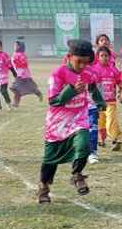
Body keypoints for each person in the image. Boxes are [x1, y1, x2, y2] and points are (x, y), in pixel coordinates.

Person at [37, 40, 103, 204]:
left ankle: (77, 175)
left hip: (78, 118)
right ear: (69, 57)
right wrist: (72, 90)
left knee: (84, 144)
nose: (82, 66)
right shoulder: (58, 74)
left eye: (86, 62)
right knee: (50, 159)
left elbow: (93, 87)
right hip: (57, 123)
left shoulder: (88, 73)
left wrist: (100, 101)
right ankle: (44, 187)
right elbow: (53, 101)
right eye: (78, 61)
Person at [93, 45, 122, 151]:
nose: (104, 57)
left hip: (111, 102)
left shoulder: (113, 69)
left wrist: (121, 91)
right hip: (98, 102)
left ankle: (116, 139)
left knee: (111, 120)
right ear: (98, 57)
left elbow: (120, 81)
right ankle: (102, 139)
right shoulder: (94, 70)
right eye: (102, 55)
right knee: (100, 122)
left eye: (106, 55)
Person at [9, 40, 43, 106]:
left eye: (17, 45)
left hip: (23, 75)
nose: (15, 46)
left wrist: (20, 74)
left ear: (20, 47)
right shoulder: (15, 54)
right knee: (16, 89)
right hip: (18, 75)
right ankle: (16, 103)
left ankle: (39, 94)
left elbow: (24, 65)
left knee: (19, 88)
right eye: (15, 45)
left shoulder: (22, 55)